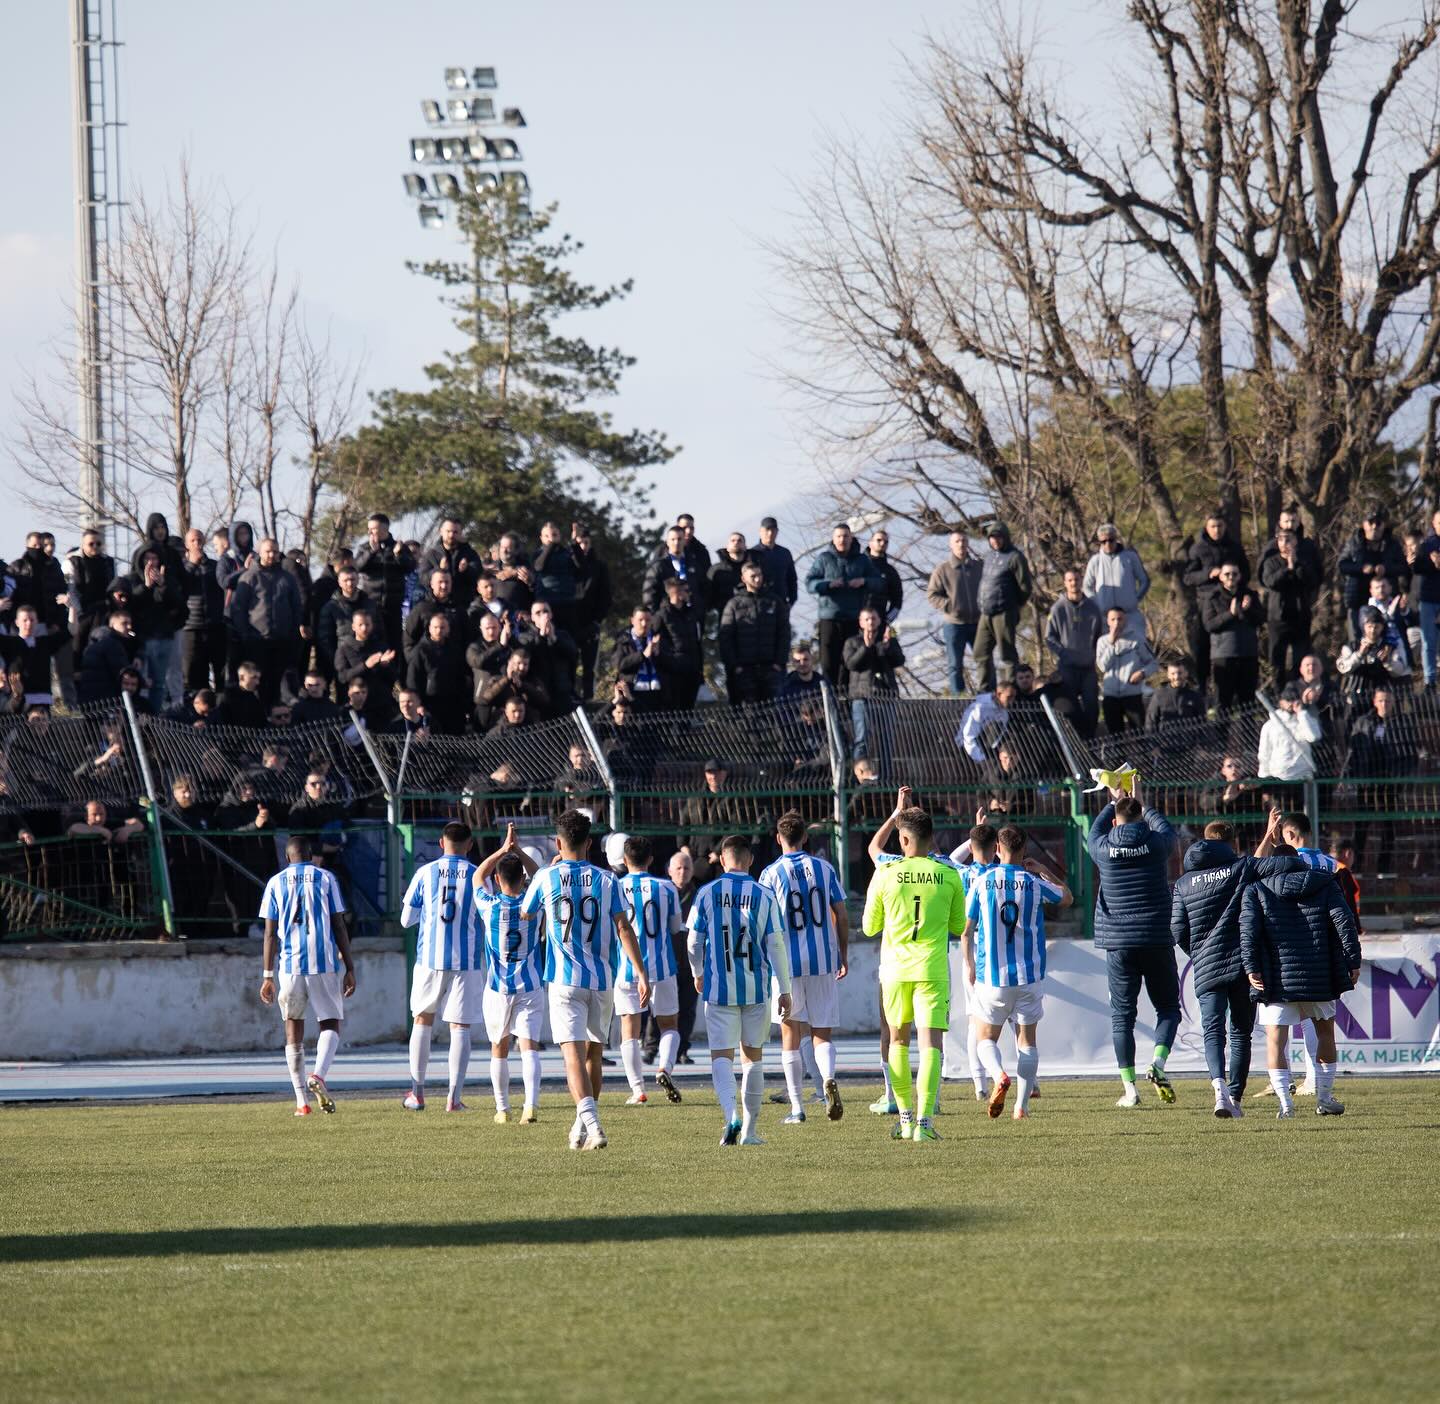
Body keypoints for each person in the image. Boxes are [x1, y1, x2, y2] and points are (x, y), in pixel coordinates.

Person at [520, 808, 647, 1151]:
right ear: (589, 843)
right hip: (602, 980)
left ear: (558, 843)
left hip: (564, 981)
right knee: (594, 1053)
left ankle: (593, 1125)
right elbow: (623, 927)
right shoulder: (607, 879)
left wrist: (549, 870)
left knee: (572, 1055)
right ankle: (581, 1126)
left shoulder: (547, 876)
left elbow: (526, 912)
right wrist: (640, 973)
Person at [1171, 815, 1304, 1117]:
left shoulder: (1183, 883)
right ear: (1231, 843)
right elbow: (1281, 864)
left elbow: (1177, 929)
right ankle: (1236, 1098)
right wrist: (1279, 846)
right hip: (1243, 965)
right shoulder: (1240, 868)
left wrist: (1199, 952)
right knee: (1241, 1033)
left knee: (1212, 1031)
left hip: (1207, 966)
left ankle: (1219, 1092)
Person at [861, 805, 966, 1143]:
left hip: (895, 970)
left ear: (903, 840)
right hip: (932, 968)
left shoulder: (886, 873)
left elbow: (869, 927)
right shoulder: (949, 874)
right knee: (931, 1045)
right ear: (931, 838)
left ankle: (905, 1120)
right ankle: (925, 1123)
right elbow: (959, 926)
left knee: (897, 1041)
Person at [1241, 844, 1361, 1118]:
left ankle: (1285, 1105)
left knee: (1275, 1041)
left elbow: (1248, 932)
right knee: (1325, 1034)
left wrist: (1251, 968)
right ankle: (1325, 1098)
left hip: (1276, 979)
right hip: (1319, 975)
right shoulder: (1325, 883)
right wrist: (1353, 960)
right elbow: (1345, 923)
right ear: (1299, 861)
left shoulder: (1256, 888)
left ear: (1270, 863)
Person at [961, 825, 1072, 1119]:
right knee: (1027, 1042)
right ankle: (1021, 1106)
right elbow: (1067, 897)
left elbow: (966, 931)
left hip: (992, 977)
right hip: (1029, 976)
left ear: (998, 848)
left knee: (985, 1038)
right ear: (1024, 850)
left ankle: (999, 1075)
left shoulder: (982, 882)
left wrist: (970, 965)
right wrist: (1044, 870)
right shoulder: (1033, 883)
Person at [687, 832, 791, 1146]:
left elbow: (693, 942)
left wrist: (698, 972)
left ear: (722, 859)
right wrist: (785, 989)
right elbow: (776, 945)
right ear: (750, 860)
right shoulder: (764, 895)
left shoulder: (706, 892)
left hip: (719, 989)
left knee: (721, 1055)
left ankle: (730, 1113)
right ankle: (749, 1131)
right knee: (753, 1057)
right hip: (756, 989)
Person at [1088, 783, 1179, 1108]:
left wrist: (1112, 802)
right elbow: (1168, 831)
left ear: (1115, 821)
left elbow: (1093, 832)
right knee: (1168, 1008)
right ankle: (1157, 1063)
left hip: (1119, 943)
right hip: (1155, 937)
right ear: (1142, 817)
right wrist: (1143, 802)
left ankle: (1130, 1090)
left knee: (1122, 1016)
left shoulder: (1102, 847)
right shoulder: (1155, 843)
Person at [759, 811, 849, 1125]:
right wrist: (842, 954)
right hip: (823, 959)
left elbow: (763, 923)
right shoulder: (824, 868)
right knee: (821, 1032)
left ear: (778, 838)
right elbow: (842, 913)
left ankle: (797, 1108)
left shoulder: (770, 874)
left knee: (790, 1034)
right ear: (805, 837)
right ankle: (828, 1079)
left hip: (787, 965)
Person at [257, 835, 355, 1116]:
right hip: (323, 963)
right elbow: (339, 924)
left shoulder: (275, 882)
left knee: (293, 1027)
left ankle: (302, 1101)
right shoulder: (326, 878)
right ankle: (319, 1075)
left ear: (287, 858)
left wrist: (267, 975)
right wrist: (350, 966)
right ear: (311, 856)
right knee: (330, 1022)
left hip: (290, 966)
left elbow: (269, 933)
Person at [399, 820, 483, 1114]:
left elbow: (405, 920)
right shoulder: (477, 875)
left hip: (430, 959)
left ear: (440, 843)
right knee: (460, 1027)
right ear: (470, 845)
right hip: (467, 960)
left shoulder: (425, 872)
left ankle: (417, 1094)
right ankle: (454, 1099)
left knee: (422, 1020)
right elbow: (487, 915)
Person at [473, 826, 543, 1123]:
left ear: (498, 880)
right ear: (523, 879)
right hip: (530, 985)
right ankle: (531, 1106)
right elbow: (540, 876)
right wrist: (519, 852)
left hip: (498, 987)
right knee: (529, 1047)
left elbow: (478, 877)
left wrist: (503, 850)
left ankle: (502, 1109)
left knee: (499, 1048)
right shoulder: (534, 906)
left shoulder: (489, 907)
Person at [614, 834, 686, 1106]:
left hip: (627, 969)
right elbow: (675, 927)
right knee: (669, 1026)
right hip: (662, 968)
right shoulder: (666, 887)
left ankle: (638, 1090)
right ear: (651, 859)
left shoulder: (615, 887)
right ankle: (664, 1068)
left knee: (629, 1031)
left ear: (625, 860)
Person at [227, 538, 303, 708]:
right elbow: (238, 609)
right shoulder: (249, 577)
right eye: (268, 551)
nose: (271, 555)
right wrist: (245, 634)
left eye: (275, 551)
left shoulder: (287, 578)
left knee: (279, 686)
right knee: (258, 685)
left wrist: (292, 633)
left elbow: (296, 608)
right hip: (256, 641)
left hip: (282, 641)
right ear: (260, 552)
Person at [806, 523, 882, 689]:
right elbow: (809, 583)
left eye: (846, 536)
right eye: (839, 536)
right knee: (828, 664)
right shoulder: (824, 558)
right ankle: (830, 700)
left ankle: (848, 699)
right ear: (833, 539)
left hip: (853, 619)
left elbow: (879, 582)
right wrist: (828, 585)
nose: (842, 540)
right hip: (829, 619)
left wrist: (864, 581)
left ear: (851, 538)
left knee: (850, 662)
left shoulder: (862, 560)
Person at [1183, 511, 1250, 691]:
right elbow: (1188, 578)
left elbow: (1246, 574)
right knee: (1202, 648)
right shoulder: (1198, 549)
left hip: (1230, 601)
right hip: (1206, 602)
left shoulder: (1234, 548)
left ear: (1225, 526)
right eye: (1213, 526)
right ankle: (1203, 689)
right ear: (1206, 527)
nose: (1216, 530)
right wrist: (1208, 574)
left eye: (1220, 526)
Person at [719, 559, 790, 704]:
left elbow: (784, 633)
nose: (758, 579)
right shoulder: (734, 605)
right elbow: (726, 637)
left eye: (759, 575)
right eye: (753, 576)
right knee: (749, 712)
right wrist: (735, 666)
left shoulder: (774, 602)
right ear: (743, 578)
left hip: (771, 668)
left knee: (773, 711)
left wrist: (779, 662)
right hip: (744, 670)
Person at [973, 522, 1033, 691]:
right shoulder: (989, 557)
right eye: (992, 538)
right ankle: (984, 690)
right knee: (980, 652)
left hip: (1004, 613)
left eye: (998, 537)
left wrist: (1014, 606)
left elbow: (1025, 587)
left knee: (1007, 654)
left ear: (1005, 537)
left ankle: (1011, 690)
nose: (995, 541)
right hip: (986, 613)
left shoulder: (1015, 557)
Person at [843, 606, 903, 774]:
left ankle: (887, 777)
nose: (870, 622)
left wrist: (887, 647)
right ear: (861, 622)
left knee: (887, 739)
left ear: (879, 620)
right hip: (862, 696)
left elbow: (899, 660)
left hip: (885, 696)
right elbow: (851, 664)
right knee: (862, 739)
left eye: (874, 618)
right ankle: (861, 775)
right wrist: (866, 647)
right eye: (867, 619)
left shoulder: (887, 640)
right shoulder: (852, 642)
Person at [1045, 567, 1103, 735]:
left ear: (1081, 581)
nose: (1073, 583)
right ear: (1065, 583)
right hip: (1067, 668)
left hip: (1088, 668)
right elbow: (1049, 638)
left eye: (1076, 579)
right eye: (1070, 580)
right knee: (1071, 709)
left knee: (1092, 707)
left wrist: (1094, 655)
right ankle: (1076, 743)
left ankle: (1091, 741)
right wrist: (1063, 654)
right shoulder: (1057, 608)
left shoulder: (1093, 608)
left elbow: (1100, 636)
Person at [1338, 503, 1407, 643]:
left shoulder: (1392, 544)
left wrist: (1386, 569)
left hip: (1386, 602)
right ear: (1364, 524)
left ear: (1384, 525)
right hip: (1357, 599)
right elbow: (1342, 565)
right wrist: (1361, 568)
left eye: (1378, 523)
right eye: (1371, 522)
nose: (1374, 526)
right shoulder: (1354, 543)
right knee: (1357, 641)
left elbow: (1403, 567)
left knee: (1390, 640)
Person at [1260, 526, 1322, 681]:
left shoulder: (1304, 561)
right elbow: (1270, 582)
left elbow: (1312, 581)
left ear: (1295, 541)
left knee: (1300, 658)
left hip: (1300, 616)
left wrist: (1296, 565)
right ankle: (1278, 690)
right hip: (1278, 618)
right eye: (1281, 539)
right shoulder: (1271, 562)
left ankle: (1298, 687)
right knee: (1277, 660)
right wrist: (1287, 569)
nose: (1284, 543)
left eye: (1288, 539)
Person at [926, 530, 983, 694]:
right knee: (955, 664)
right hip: (954, 624)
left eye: (964, 540)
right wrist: (950, 606)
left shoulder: (979, 567)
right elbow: (932, 595)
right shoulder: (942, 570)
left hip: (979, 623)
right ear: (951, 545)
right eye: (957, 541)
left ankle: (988, 694)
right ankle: (959, 697)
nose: (961, 544)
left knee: (984, 661)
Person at [1201, 563, 1264, 710]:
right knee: (1223, 702)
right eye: (1227, 574)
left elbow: (1261, 619)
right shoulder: (1212, 597)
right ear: (1221, 577)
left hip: (1248, 654)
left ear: (1240, 576)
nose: (1231, 577)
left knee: (1247, 703)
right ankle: (1222, 727)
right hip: (1224, 656)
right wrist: (1230, 614)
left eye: (1234, 574)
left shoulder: (1250, 595)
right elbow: (1209, 625)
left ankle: (1247, 727)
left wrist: (1247, 611)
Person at [353, 512, 414, 644]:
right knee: (373, 642)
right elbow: (357, 567)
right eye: (368, 529)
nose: (369, 532)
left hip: (393, 605)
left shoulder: (399, 547)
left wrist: (398, 555)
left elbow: (410, 567)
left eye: (373, 529)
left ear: (384, 529)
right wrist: (371, 552)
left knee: (394, 643)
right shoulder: (364, 548)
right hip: (371, 604)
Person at [177, 528, 226, 692]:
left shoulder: (214, 566)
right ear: (187, 544)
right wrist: (192, 565)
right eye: (193, 541)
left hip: (215, 625)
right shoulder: (182, 568)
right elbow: (180, 587)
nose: (197, 543)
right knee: (193, 673)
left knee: (221, 672)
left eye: (199, 540)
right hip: (191, 627)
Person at [1095, 607, 1157, 734]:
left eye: (1120, 619)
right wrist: (1111, 644)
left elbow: (1153, 663)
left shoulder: (1137, 639)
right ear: (1108, 621)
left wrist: (1142, 673)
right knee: (1115, 736)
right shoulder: (1102, 642)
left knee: (1139, 734)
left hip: (1132, 694)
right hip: (1110, 696)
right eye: (1113, 619)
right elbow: (1103, 667)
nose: (1117, 622)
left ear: (1125, 620)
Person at [1083, 524, 1150, 642]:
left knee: (1136, 647)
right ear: (1099, 542)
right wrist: (1097, 602)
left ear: (1116, 539)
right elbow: (1086, 586)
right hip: (1105, 618)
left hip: (1130, 615)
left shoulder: (1130, 557)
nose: (1107, 544)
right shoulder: (1095, 561)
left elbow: (1144, 580)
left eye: (1111, 540)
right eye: (1103, 541)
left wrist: (1135, 599)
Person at [570, 522, 612, 701]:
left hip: (590, 624)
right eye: (579, 543)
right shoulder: (569, 565)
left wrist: (597, 620)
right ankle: (571, 699)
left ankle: (589, 699)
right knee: (570, 664)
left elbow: (606, 596)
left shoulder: (599, 566)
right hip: (571, 623)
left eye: (586, 543)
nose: (583, 547)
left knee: (589, 667)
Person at [652, 575, 704, 711]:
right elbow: (657, 645)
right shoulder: (661, 616)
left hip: (692, 672)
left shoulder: (691, 614)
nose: (689, 594)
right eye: (686, 590)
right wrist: (671, 662)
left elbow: (697, 642)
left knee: (687, 711)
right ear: (675, 591)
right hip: (672, 674)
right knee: (673, 711)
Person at [1257, 683, 1323, 790]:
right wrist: (1263, 777)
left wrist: (1301, 713)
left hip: (1303, 776)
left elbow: (1313, 737)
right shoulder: (1270, 725)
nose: (1292, 703)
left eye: (1294, 699)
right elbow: (1264, 752)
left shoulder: (1305, 719)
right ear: (1281, 702)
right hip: (1278, 777)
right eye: (1288, 700)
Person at [612, 606, 666, 712]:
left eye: (648, 620)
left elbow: (670, 664)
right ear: (632, 621)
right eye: (640, 620)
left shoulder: (658, 639)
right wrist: (643, 655)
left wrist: (658, 654)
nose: (644, 624)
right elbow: (619, 665)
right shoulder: (623, 640)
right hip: (632, 692)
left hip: (657, 693)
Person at [1408, 507, 1440, 686]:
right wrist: (1430, 563)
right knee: (1428, 642)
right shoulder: (1427, 545)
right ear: (1434, 524)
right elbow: (1418, 569)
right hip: (1428, 600)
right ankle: (1430, 680)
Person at [957, 681, 1015, 766]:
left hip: (986, 749)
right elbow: (968, 737)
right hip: (965, 749)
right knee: (994, 726)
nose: (1012, 701)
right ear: (999, 695)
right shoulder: (979, 708)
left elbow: (998, 738)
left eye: (1013, 697)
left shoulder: (1004, 713)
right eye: (1009, 697)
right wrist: (981, 759)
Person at [1145, 659, 1204, 733]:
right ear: (1168, 675)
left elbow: (1202, 722)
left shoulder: (1195, 696)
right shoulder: (1159, 695)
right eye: (1173, 674)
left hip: (1189, 738)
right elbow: (1151, 721)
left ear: (1186, 673)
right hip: (1165, 738)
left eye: (1180, 673)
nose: (1176, 677)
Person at [706, 530, 756, 616]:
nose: (736, 543)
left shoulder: (753, 570)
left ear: (745, 546)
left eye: (740, 540)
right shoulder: (716, 570)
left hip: (749, 614)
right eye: (733, 540)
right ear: (727, 547)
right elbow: (708, 593)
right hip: (723, 614)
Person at [752, 516, 797, 605]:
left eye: (773, 530)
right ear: (760, 531)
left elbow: (792, 579)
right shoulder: (752, 554)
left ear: (777, 531)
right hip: (760, 602)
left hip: (781, 601)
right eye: (767, 530)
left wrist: (792, 600)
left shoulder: (784, 553)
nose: (770, 533)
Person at [864, 528, 903, 623]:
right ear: (870, 543)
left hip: (878, 622)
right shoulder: (857, 566)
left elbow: (897, 600)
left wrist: (887, 620)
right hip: (855, 621)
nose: (882, 543)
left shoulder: (890, 572)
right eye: (879, 540)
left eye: (886, 542)